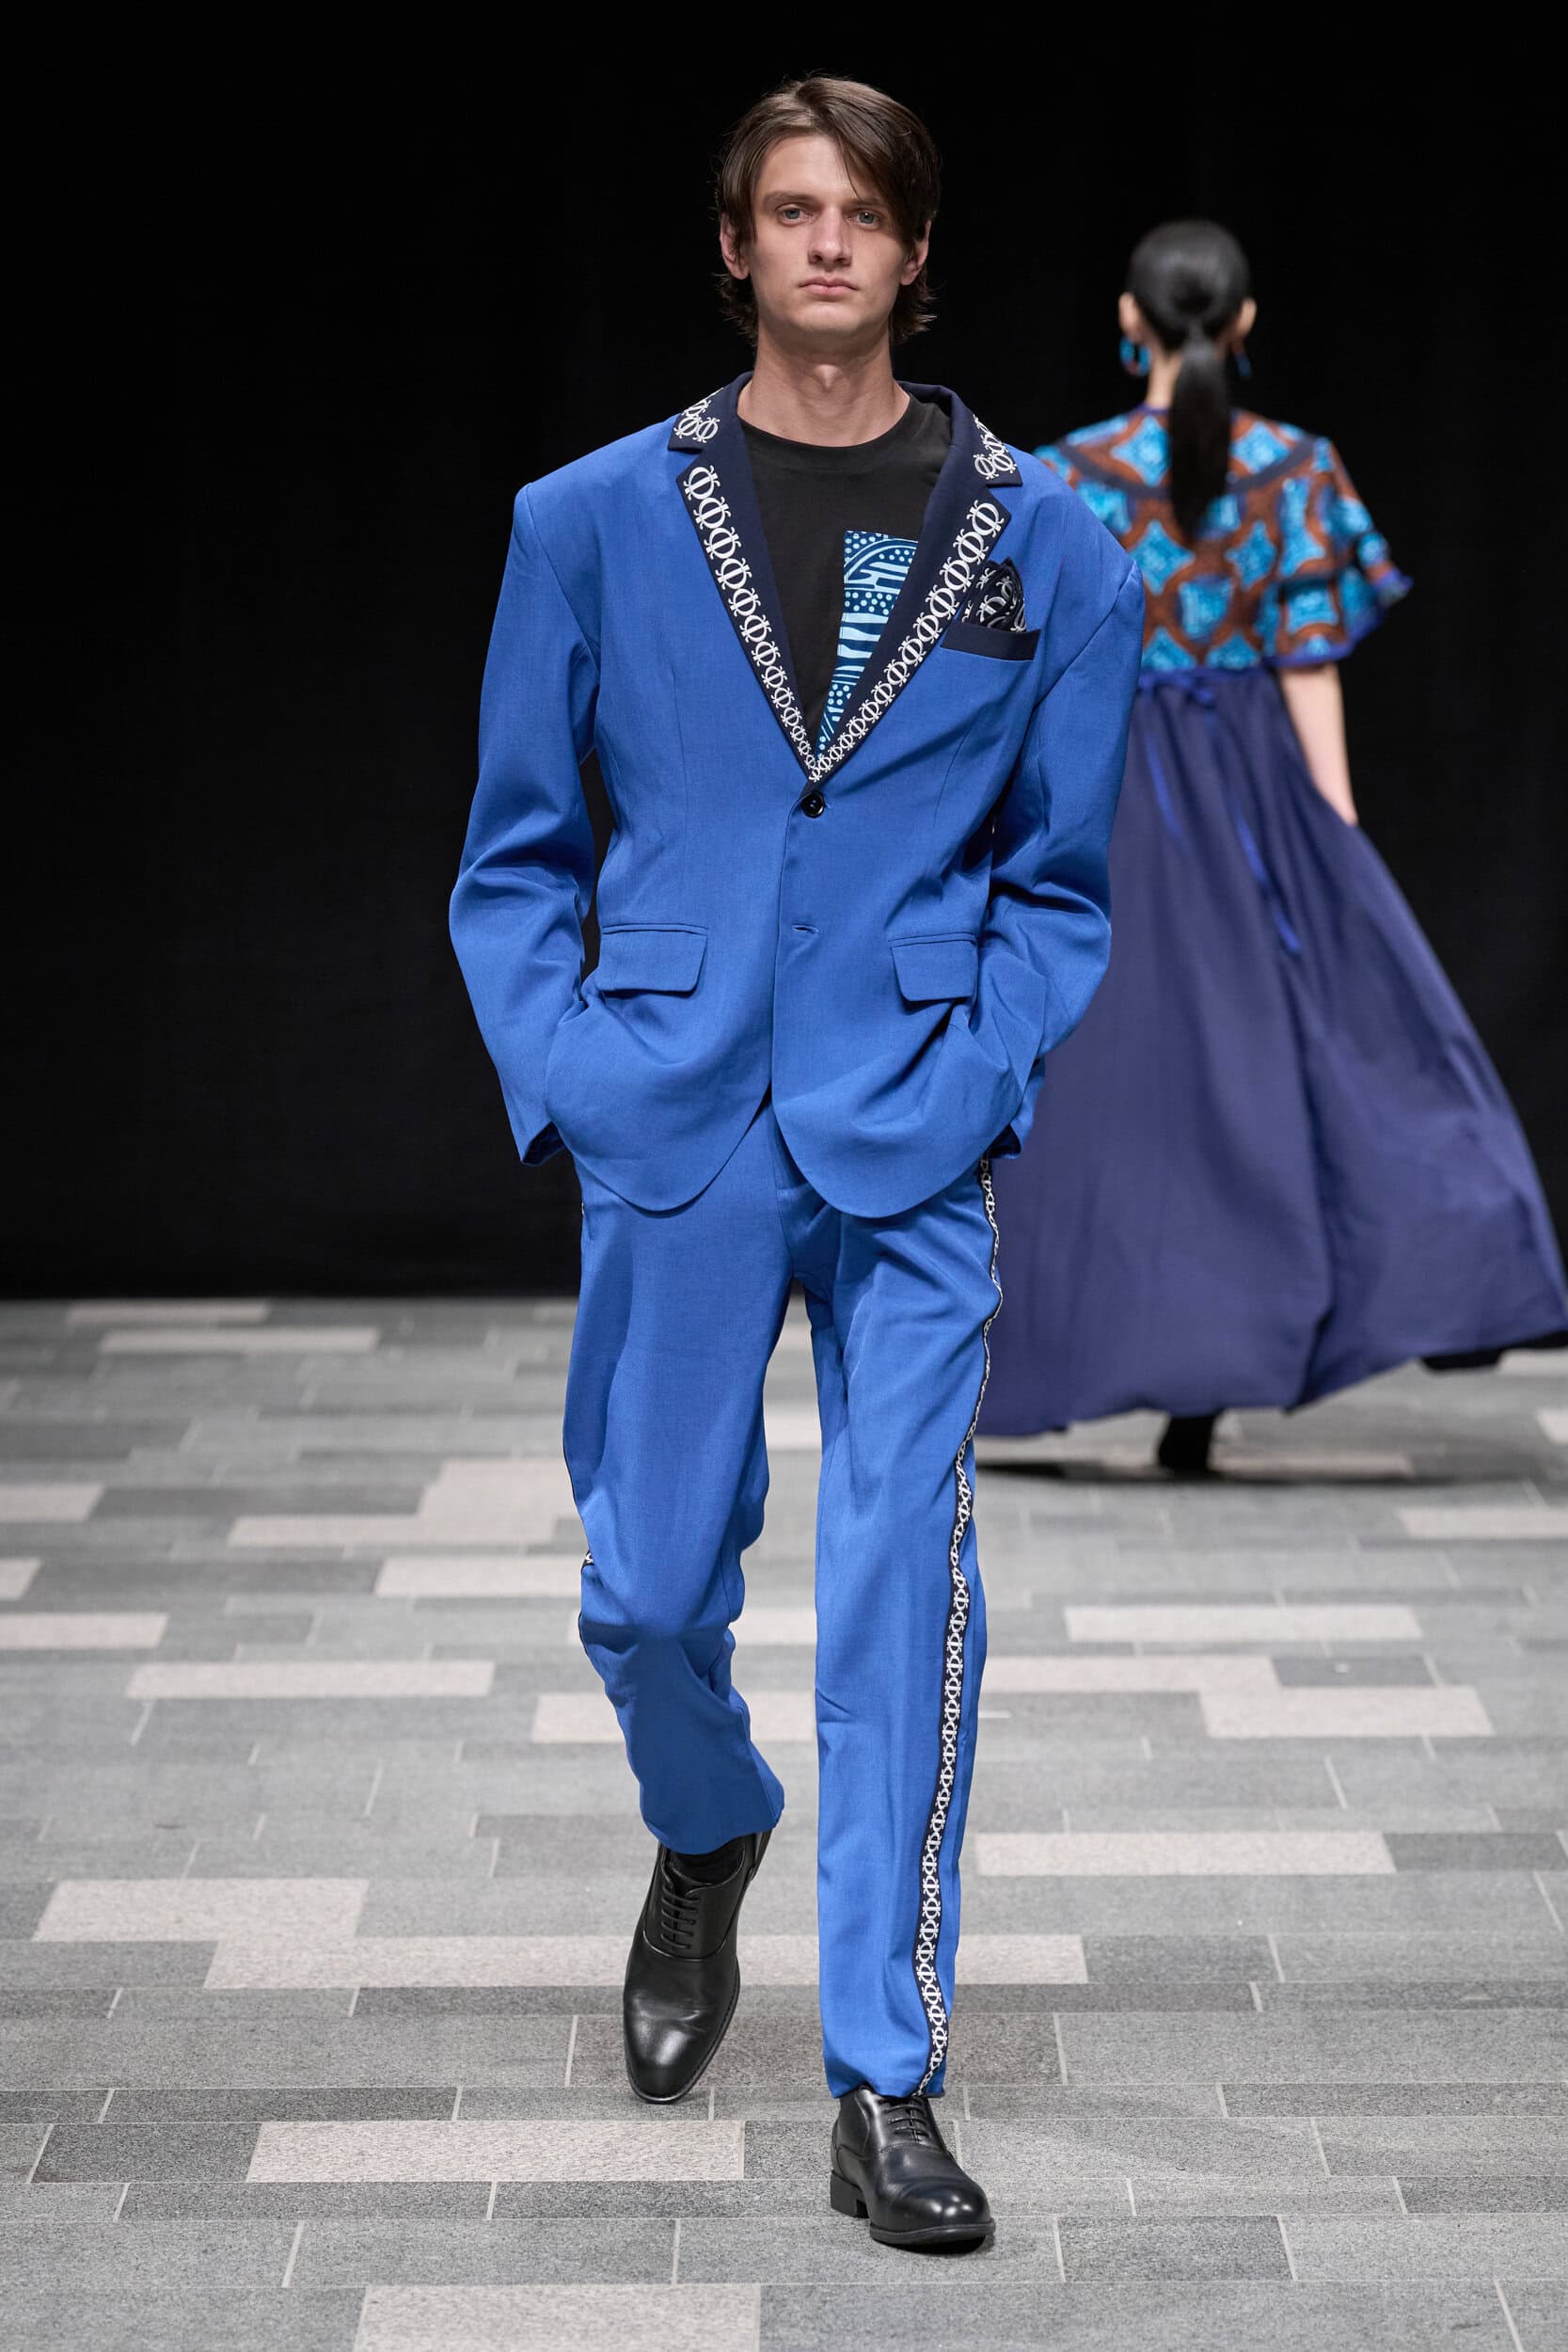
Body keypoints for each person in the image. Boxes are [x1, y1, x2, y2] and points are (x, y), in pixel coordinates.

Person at [450, 76, 1142, 2248]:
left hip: (916, 1118)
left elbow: (1062, 880)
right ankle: (707, 1817)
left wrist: (990, 1057)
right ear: (737, 242)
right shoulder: (587, 521)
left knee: (904, 1582)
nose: (828, 240)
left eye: (865, 211)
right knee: (649, 1586)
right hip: (675, 1108)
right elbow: (512, 855)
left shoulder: (1053, 542)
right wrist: (575, 1067)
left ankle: (886, 2073)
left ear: (916, 253)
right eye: (791, 206)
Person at [981, 220, 1567, 1471]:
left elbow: (1032, 671)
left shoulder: (1061, 476)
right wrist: (1334, 833)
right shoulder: (1297, 470)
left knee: (1111, 1080)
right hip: (1250, 791)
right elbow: (1308, 662)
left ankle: (1077, 1357)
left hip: (1113, 791)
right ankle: (1212, 1370)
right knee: (1260, 1071)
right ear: (1243, 325)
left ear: (1128, 322)